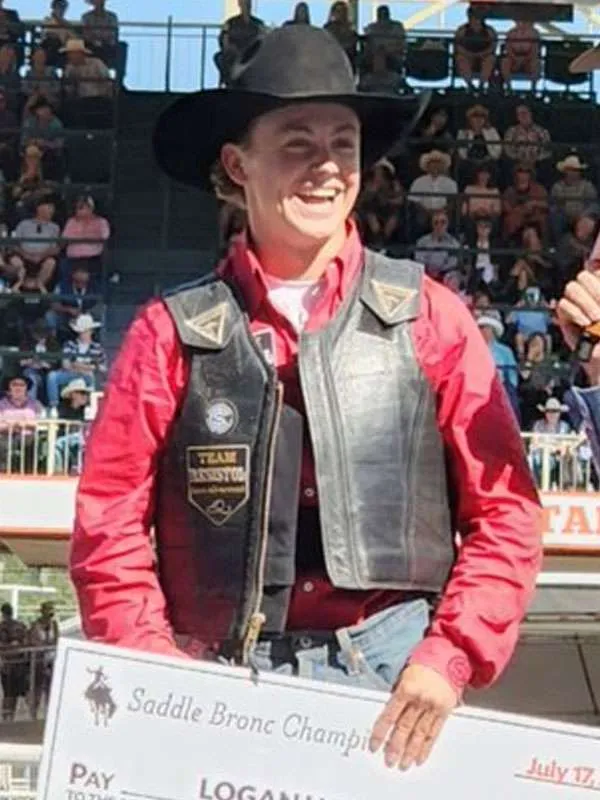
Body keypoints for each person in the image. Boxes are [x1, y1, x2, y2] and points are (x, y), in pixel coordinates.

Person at [70, 25, 542, 772]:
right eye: (297, 143)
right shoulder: (166, 333)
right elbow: (109, 526)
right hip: (212, 679)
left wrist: (449, 655)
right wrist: (154, 667)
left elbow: (506, 511)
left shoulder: (435, 317)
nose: (326, 166)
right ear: (237, 164)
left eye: (342, 144)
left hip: (398, 683)